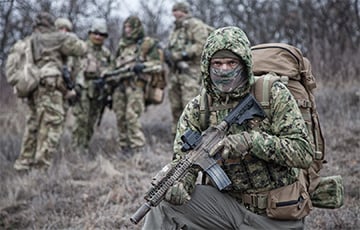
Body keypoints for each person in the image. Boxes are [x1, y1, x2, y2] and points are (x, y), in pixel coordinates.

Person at [142, 26, 315, 229]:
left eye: (231, 62)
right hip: (226, 207)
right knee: (163, 204)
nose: (224, 69)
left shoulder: (272, 94)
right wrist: (181, 183)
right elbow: (183, 161)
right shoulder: (198, 108)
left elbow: (303, 153)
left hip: (275, 213)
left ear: (244, 64)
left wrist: (250, 141)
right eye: (217, 63)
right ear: (207, 67)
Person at [13, 12, 87, 171]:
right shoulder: (57, 39)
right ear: (53, 26)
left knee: (35, 125)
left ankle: (24, 164)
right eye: (61, 28)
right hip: (50, 88)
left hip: (37, 86)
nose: (63, 31)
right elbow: (81, 48)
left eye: (66, 29)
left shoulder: (32, 39)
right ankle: (40, 168)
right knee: (50, 126)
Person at [112, 15, 164, 153]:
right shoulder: (122, 45)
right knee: (120, 117)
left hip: (136, 86)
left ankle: (138, 149)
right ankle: (125, 149)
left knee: (131, 116)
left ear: (136, 27)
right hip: (120, 86)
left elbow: (158, 65)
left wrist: (142, 67)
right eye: (125, 27)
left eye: (130, 27)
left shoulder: (146, 44)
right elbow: (114, 66)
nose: (127, 30)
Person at [166, 1, 212, 136]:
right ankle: (177, 138)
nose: (175, 14)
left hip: (191, 73)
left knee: (190, 107)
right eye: (174, 11)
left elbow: (201, 45)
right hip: (175, 73)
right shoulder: (176, 29)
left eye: (178, 11)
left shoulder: (195, 25)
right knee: (175, 108)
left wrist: (180, 55)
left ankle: (193, 138)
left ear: (184, 11)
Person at [71, 19, 112, 155]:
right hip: (83, 90)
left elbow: (111, 70)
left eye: (101, 34)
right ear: (90, 33)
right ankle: (76, 150)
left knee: (92, 121)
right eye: (95, 33)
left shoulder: (106, 53)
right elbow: (75, 68)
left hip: (99, 92)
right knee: (81, 121)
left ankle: (85, 148)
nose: (98, 37)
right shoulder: (82, 48)